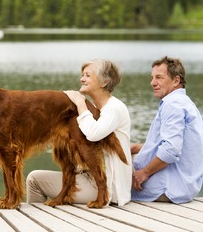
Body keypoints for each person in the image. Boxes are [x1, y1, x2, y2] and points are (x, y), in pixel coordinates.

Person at [26, 59, 132, 206]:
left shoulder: (115, 108)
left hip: (107, 187)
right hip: (86, 178)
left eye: (88, 75)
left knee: (34, 181)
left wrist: (80, 103)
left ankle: (33, 222)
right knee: (35, 176)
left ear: (104, 82)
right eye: (82, 75)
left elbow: (93, 133)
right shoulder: (95, 108)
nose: (82, 79)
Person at [131, 56, 203, 204]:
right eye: (152, 78)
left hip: (169, 187)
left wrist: (144, 174)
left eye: (159, 77)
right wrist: (141, 147)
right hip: (186, 185)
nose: (152, 83)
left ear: (176, 81)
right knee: (128, 154)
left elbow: (171, 149)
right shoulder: (184, 102)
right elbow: (181, 145)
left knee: (111, 178)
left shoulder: (172, 105)